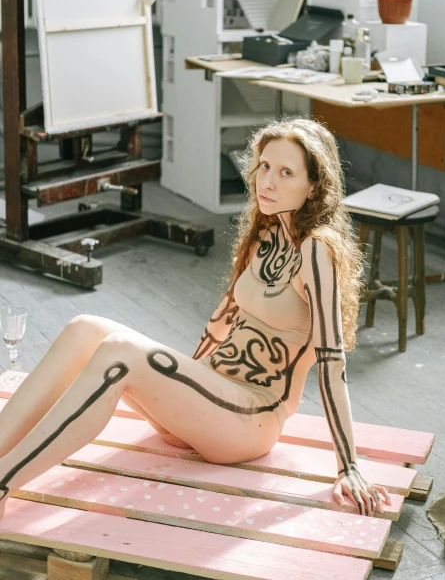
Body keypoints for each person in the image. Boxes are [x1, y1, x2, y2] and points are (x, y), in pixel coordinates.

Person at [0, 118, 391, 518]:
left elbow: (331, 362)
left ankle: (3, 484)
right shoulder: (265, 235)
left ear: (314, 187)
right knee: (84, 327)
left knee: (120, 351)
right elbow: (220, 323)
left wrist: (349, 466)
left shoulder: (317, 251)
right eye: (265, 166)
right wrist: (177, 394)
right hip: (208, 406)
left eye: (286, 172)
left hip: (248, 420)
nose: (267, 182)